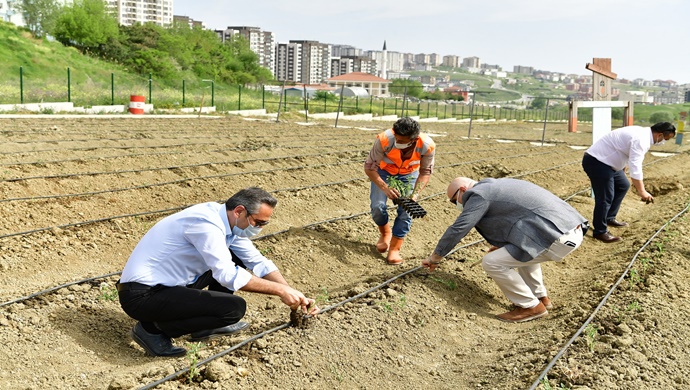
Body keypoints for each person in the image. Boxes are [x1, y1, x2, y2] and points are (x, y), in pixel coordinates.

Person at [117, 187, 319, 357]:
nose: (259, 228)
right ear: (240, 211)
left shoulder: (230, 224)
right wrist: (280, 291)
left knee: (236, 256)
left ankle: (205, 325)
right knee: (233, 309)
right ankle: (151, 330)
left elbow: (258, 262)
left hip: (169, 285)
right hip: (141, 295)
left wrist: (293, 292)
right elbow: (227, 275)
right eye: (258, 222)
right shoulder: (206, 223)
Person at [422, 177, 588, 323]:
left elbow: (460, 228)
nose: (456, 204)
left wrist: (436, 257)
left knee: (492, 262)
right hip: (572, 228)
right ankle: (541, 297)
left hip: (556, 235)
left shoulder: (478, 194)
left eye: (454, 200)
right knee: (521, 251)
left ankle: (530, 307)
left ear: (463, 190)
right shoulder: (497, 185)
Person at [582, 122, 676, 243]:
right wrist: (642, 191)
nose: (664, 142)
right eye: (665, 139)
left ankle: (609, 218)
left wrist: (623, 166)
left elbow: (625, 150)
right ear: (660, 135)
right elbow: (636, 166)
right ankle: (600, 231)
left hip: (610, 164)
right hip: (598, 162)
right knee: (605, 197)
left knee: (623, 185)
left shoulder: (642, 133)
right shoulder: (641, 139)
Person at [364, 117, 436, 265]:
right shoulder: (384, 139)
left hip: (409, 175)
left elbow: (425, 172)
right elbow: (369, 168)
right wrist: (385, 187)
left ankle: (395, 249)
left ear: (413, 139)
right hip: (384, 172)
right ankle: (385, 233)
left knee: (406, 211)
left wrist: (415, 194)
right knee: (377, 206)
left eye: (402, 141)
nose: (397, 142)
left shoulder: (427, 146)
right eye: (396, 138)